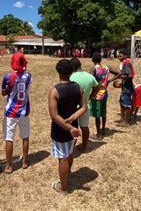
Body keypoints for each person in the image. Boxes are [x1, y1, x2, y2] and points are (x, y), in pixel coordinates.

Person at [49, 59, 86, 194]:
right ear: (72, 71)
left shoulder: (54, 91)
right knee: (69, 151)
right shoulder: (78, 87)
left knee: (63, 157)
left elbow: (54, 116)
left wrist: (69, 127)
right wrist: (72, 120)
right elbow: (84, 107)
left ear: (58, 71)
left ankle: (63, 187)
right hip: (73, 129)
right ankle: (67, 174)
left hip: (61, 129)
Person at [1, 52, 32, 173]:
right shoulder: (29, 76)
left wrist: (8, 88)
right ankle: (24, 161)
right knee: (25, 136)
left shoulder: (8, 76)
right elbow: (27, 91)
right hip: (24, 110)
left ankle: (8, 166)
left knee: (9, 138)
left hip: (11, 112)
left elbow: (4, 93)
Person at [69, 57, 98, 152]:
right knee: (84, 127)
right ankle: (84, 147)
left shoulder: (71, 77)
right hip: (85, 106)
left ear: (71, 67)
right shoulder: (90, 77)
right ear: (80, 65)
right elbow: (97, 88)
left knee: (72, 127)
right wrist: (90, 97)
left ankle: (70, 148)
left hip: (73, 107)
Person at [89, 52, 118, 139]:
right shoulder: (106, 67)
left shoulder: (93, 69)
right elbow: (119, 73)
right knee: (103, 112)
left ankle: (98, 134)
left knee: (97, 115)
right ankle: (103, 130)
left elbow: (89, 80)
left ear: (93, 60)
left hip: (96, 94)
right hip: (104, 93)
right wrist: (109, 81)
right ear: (101, 59)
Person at [113, 50, 135, 125]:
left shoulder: (126, 63)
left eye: (121, 56)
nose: (119, 57)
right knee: (122, 103)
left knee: (127, 105)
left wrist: (121, 78)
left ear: (126, 56)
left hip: (127, 88)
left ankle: (126, 121)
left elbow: (130, 75)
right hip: (124, 87)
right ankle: (122, 119)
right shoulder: (124, 63)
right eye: (118, 56)